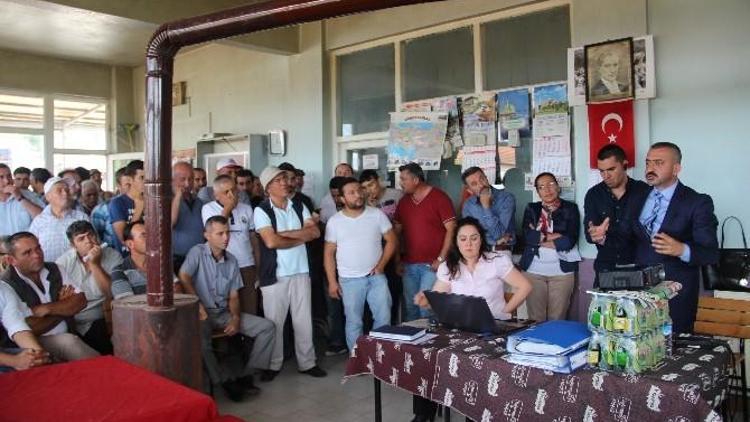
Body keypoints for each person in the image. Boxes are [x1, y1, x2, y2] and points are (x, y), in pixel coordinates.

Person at [412, 217, 532, 421]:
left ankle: (475, 415)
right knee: (427, 354)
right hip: (458, 329)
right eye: (463, 239)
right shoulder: (449, 266)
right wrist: (425, 300)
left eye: (474, 238)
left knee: (478, 363)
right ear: (456, 242)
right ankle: (423, 416)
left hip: (490, 330)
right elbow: (437, 298)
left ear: (481, 240)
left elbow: (525, 286)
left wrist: (504, 311)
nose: (468, 244)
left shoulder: (496, 261)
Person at [179, 216, 275, 402]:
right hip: (200, 313)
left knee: (267, 328)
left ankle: (246, 376)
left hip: (222, 313)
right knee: (203, 343)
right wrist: (197, 304)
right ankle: (223, 382)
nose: (226, 238)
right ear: (206, 235)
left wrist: (235, 318)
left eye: (227, 232)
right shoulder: (197, 252)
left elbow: (233, 296)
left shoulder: (232, 260)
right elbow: (183, 276)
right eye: (220, 233)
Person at [633, 142, 718, 333]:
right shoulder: (637, 196)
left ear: (676, 168)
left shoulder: (697, 202)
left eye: (659, 163)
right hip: (639, 292)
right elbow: (629, 237)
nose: (650, 169)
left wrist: (682, 250)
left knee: (675, 353)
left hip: (676, 295)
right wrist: (603, 236)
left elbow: (710, 253)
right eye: (648, 163)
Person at [253, 166, 326, 380]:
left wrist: (285, 235)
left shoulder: (299, 205)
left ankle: (307, 363)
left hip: (301, 270)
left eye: (284, 178)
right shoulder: (262, 210)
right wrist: (299, 236)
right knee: (274, 321)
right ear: (268, 188)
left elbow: (314, 232)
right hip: (275, 274)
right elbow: (270, 241)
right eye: (278, 180)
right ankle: (272, 365)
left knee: (303, 319)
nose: (284, 183)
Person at [0, 232, 99, 362]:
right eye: (27, 253)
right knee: (68, 342)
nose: (37, 255)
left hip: (69, 332)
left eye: (38, 248)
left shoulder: (54, 268)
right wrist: (63, 308)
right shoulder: (7, 284)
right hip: (30, 345)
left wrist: (46, 308)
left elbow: (80, 301)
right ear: (11, 260)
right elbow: (29, 327)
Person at [324, 178, 397, 350]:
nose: (358, 195)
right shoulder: (335, 221)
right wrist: (332, 282)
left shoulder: (377, 214)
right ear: (342, 198)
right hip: (349, 280)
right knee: (354, 321)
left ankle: (380, 357)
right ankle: (357, 359)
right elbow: (328, 253)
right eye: (352, 192)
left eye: (359, 190)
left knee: (383, 319)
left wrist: (380, 266)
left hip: (376, 278)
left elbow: (392, 241)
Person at [394, 162, 457, 321]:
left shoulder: (439, 197)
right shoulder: (403, 202)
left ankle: (431, 344)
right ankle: (411, 345)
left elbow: (452, 229)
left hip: (432, 266)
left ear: (415, 180)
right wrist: (397, 260)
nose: (401, 183)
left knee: (426, 308)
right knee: (410, 307)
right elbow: (397, 233)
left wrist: (441, 259)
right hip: (409, 265)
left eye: (404, 179)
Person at [519, 173, 580, 322]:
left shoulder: (570, 208)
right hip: (533, 271)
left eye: (551, 184)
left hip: (562, 273)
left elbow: (569, 241)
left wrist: (540, 236)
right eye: (541, 187)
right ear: (538, 192)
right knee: (535, 319)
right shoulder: (532, 208)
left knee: (557, 319)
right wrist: (554, 236)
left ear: (558, 187)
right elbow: (528, 237)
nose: (547, 189)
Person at [55, 221, 124, 355]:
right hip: (74, 319)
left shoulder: (113, 255)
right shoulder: (63, 263)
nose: (89, 241)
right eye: (81, 239)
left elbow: (112, 292)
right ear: (72, 245)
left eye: (91, 235)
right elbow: (61, 297)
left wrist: (94, 264)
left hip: (103, 316)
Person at [584, 144, 649, 279]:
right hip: (606, 268)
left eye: (611, 169)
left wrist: (607, 238)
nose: (605, 176)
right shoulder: (594, 194)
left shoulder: (644, 191)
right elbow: (589, 234)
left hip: (640, 267)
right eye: (601, 171)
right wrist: (596, 236)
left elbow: (648, 233)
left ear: (624, 165)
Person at [202, 175, 260, 314]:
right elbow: (217, 229)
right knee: (227, 308)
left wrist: (257, 264)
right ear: (216, 195)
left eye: (233, 190)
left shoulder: (246, 208)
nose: (232, 194)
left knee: (249, 307)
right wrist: (228, 208)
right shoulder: (208, 208)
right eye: (226, 192)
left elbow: (253, 238)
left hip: (246, 263)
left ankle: (248, 336)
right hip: (223, 265)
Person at [28, 177, 89, 262]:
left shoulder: (81, 217)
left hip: (77, 271)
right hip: (49, 270)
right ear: (48, 197)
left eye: (67, 190)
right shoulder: (39, 221)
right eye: (59, 190)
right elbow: (30, 247)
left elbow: (92, 245)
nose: (65, 193)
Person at [460, 166, 516, 253]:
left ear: (486, 178)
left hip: (502, 251)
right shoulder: (468, 205)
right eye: (474, 184)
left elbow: (499, 234)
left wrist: (486, 207)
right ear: (469, 190)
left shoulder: (506, 198)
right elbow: (470, 235)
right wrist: (494, 242)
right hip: (479, 250)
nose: (481, 185)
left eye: (482, 179)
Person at [0, 281, 51, 372]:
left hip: (5, 350)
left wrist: (37, 354)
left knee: (36, 361)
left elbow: (16, 325)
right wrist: (15, 361)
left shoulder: (3, 288)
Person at [171, 161, 205, 272]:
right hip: (177, 259)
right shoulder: (165, 200)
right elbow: (171, 223)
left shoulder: (199, 201)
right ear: (172, 179)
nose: (187, 184)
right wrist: (177, 197)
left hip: (199, 257)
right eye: (182, 179)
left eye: (190, 179)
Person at [109, 160, 145, 254]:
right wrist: (138, 209)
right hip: (127, 256)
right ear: (130, 179)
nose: (146, 182)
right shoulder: (117, 203)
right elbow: (123, 238)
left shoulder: (151, 201)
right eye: (142, 177)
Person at [91, 167, 130, 249]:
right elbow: (96, 239)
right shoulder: (101, 210)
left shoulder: (147, 207)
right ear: (119, 186)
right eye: (128, 185)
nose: (133, 187)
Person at [0, 164, 43, 236]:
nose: (7, 181)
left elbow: (44, 218)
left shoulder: (28, 195)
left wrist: (20, 198)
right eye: (1, 177)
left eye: (9, 176)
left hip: (27, 244)